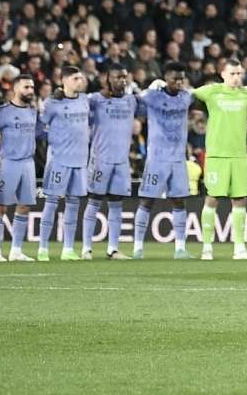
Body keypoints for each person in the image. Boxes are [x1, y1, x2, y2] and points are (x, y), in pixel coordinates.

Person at [193, 59, 247, 260]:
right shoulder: (211, 91)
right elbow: (188, 96)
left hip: (239, 155)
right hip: (216, 155)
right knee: (212, 198)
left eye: (239, 73)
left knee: (240, 200)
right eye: (232, 73)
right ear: (222, 73)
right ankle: (207, 247)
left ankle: (239, 249)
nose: (237, 77)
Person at [135, 64, 196, 259]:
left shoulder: (185, 97)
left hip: (178, 159)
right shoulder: (153, 96)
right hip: (157, 158)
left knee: (179, 201)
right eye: (174, 79)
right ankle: (137, 247)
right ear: (166, 77)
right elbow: (138, 97)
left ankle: (180, 247)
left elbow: (198, 94)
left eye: (181, 79)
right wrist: (152, 87)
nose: (178, 82)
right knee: (147, 200)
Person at [35, 68, 91, 260]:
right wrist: (55, 140)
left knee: (73, 204)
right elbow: (40, 126)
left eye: (81, 77)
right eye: (76, 78)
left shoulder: (85, 100)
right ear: (65, 80)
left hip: (80, 161)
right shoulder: (53, 103)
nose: (80, 81)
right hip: (59, 160)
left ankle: (68, 249)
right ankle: (43, 248)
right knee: (51, 203)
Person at [85, 71, 138, 259]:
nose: (122, 80)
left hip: (121, 161)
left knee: (116, 204)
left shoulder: (131, 100)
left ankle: (113, 249)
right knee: (94, 201)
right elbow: (77, 100)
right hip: (100, 159)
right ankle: (86, 249)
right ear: (107, 78)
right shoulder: (96, 99)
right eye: (117, 77)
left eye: (124, 77)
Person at [0, 74, 40, 261]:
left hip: (28, 163)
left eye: (32, 87)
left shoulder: (33, 111)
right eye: (26, 87)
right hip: (8, 162)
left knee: (24, 206)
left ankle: (16, 251)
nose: (30, 91)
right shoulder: (2, 112)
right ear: (15, 89)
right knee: (0, 207)